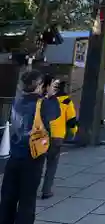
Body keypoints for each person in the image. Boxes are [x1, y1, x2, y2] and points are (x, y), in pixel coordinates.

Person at [0, 70, 60, 224]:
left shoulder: (17, 100)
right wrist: (50, 97)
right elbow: (55, 114)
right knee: (27, 200)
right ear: (39, 86)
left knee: (8, 198)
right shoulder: (43, 103)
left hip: (14, 156)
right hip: (33, 156)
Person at [41, 80, 78, 199]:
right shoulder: (67, 101)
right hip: (57, 137)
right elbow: (72, 121)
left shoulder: (44, 100)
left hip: (42, 135)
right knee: (52, 164)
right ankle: (46, 190)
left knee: (37, 164)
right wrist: (73, 132)